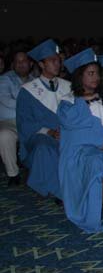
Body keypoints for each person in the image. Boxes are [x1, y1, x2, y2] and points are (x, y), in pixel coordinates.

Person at [58, 49, 103, 232]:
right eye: (90, 73)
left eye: (97, 73)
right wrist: (101, 143)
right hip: (79, 153)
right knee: (97, 162)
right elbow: (74, 135)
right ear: (79, 76)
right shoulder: (69, 103)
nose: (96, 77)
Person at [16, 39, 71, 198]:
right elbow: (25, 123)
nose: (57, 64)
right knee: (44, 148)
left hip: (67, 133)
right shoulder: (28, 91)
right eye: (52, 61)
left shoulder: (68, 86)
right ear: (41, 64)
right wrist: (49, 132)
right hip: (41, 134)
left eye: (58, 60)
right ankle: (59, 191)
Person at [0, 49, 33, 186]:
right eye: (17, 61)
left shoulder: (36, 81)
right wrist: (31, 105)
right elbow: (6, 101)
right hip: (10, 121)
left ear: (30, 63)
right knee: (4, 135)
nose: (20, 64)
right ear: (13, 64)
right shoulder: (4, 79)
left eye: (24, 61)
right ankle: (13, 173)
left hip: (31, 121)